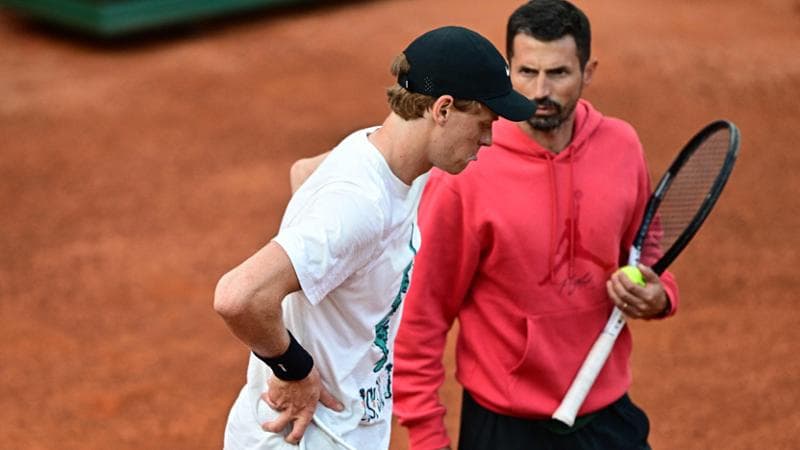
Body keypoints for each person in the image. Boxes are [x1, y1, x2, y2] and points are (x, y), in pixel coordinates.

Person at [213, 26, 535, 450]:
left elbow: (304, 173)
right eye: (484, 123)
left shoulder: (386, 155)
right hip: (304, 437)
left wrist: (326, 283)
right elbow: (238, 296)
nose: (489, 139)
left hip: (345, 429)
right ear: (442, 109)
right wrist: (294, 369)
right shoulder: (360, 205)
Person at [391, 2, 680, 449]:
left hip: (605, 414)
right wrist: (427, 437)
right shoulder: (469, 171)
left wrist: (660, 295)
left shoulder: (622, 146)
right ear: (510, 71)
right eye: (527, 72)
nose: (540, 90)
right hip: (504, 427)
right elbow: (420, 316)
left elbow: (647, 250)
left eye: (558, 73)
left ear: (588, 71)